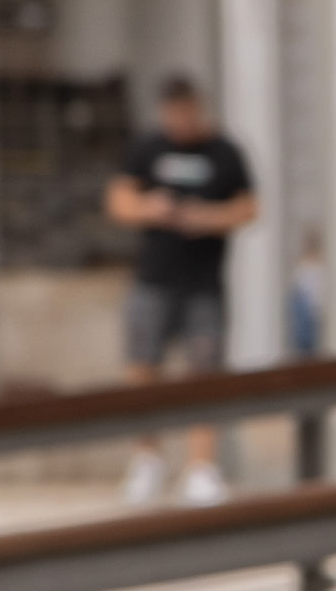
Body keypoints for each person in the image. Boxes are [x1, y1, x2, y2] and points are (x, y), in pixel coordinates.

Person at [103, 73, 258, 507]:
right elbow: (118, 201)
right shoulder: (148, 149)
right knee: (142, 369)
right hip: (154, 278)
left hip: (203, 282)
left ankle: (202, 467)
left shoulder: (224, 152)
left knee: (204, 372)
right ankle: (147, 459)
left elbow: (249, 207)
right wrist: (152, 209)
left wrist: (205, 218)